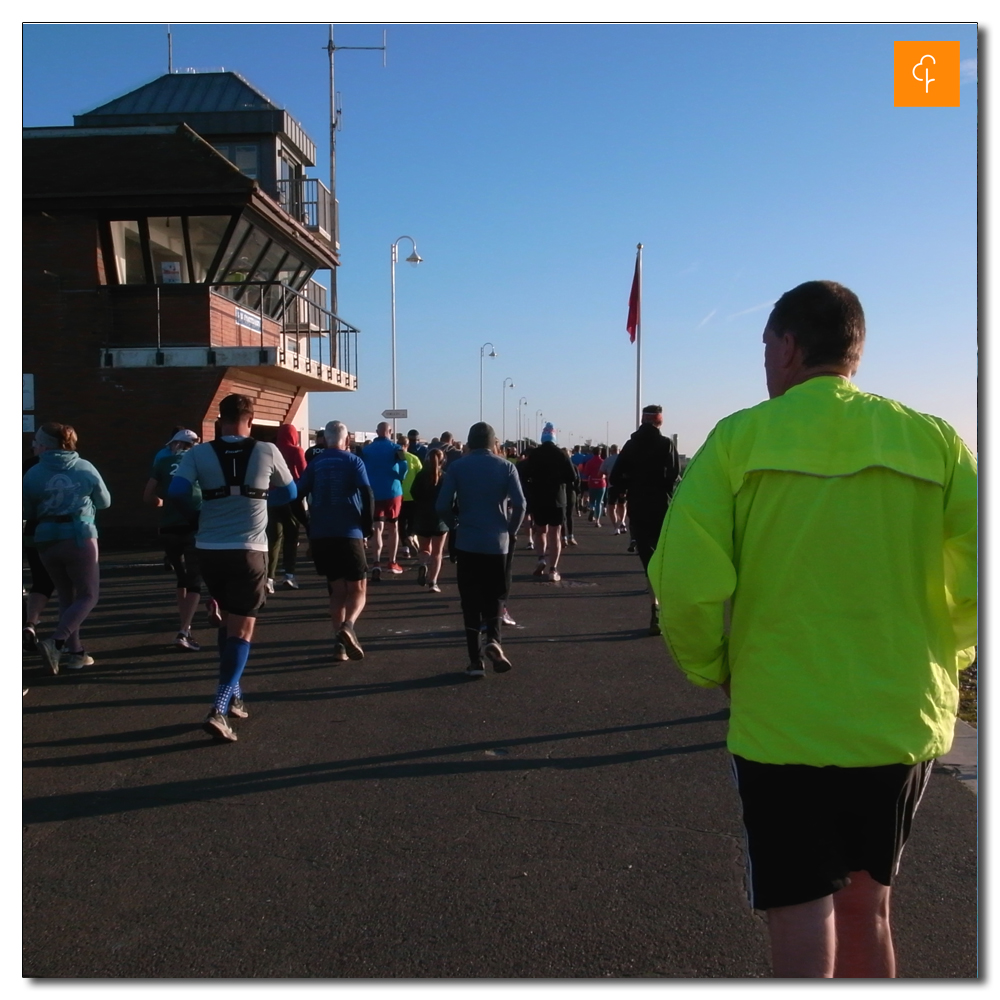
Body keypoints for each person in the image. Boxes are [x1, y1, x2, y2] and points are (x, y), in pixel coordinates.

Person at [648, 280, 977, 978]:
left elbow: (684, 577)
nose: (765, 361)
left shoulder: (741, 438)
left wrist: (711, 665)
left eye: (766, 345)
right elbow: (980, 571)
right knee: (871, 909)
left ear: (790, 345)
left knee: (800, 911)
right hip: (897, 714)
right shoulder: (935, 440)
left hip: (783, 718)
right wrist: (945, 652)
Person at [168, 394, 295, 742]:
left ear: (219, 420)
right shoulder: (268, 451)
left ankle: (235, 694)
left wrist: (198, 517)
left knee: (228, 622)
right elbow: (290, 491)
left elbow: (176, 491)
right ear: (250, 421)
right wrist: (259, 503)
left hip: (209, 548)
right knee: (243, 630)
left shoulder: (198, 453)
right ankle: (219, 707)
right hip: (249, 550)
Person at [436, 422, 526, 677]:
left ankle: (475, 662)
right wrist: (511, 530)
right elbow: (520, 504)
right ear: (492, 442)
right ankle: (494, 640)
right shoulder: (506, 466)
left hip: (467, 540)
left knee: (470, 600)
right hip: (498, 542)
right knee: (496, 595)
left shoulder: (457, 467)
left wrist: (455, 524)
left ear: (470, 442)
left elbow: (443, 505)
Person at [23, 422, 111, 674]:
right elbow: (105, 502)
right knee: (88, 595)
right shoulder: (85, 467)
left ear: (46, 445)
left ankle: (76, 652)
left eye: (37, 442)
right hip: (79, 535)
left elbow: (27, 510)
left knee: (66, 596)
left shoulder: (33, 473)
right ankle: (57, 641)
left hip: (46, 539)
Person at [295, 420, 374, 662]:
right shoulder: (353, 461)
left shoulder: (316, 463)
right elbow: (367, 493)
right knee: (358, 588)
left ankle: (339, 646)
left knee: (336, 591)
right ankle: (348, 626)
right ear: (347, 440)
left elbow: (295, 495)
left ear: (325, 440)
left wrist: (307, 524)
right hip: (348, 531)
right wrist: (367, 527)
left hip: (322, 534)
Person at [143, 428, 220, 651]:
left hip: (169, 526)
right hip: (195, 523)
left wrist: (159, 502)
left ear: (174, 444)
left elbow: (147, 496)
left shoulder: (163, 463)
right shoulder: (200, 462)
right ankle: (184, 630)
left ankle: (185, 622)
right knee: (196, 577)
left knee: (181, 577)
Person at [611, 405, 680, 635]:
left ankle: (655, 608)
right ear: (659, 421)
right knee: (664, 557)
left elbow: (616, 476)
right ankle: (665, 607)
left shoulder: (631, 445)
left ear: (643, 420)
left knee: (648, 558)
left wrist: (626, 489)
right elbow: (673, 476)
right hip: (662, 506)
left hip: (638, 506)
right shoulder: (666, 444)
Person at [518, 422, 576, 582]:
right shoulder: (561, 454)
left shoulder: (535, 454)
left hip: (539, 497)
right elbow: (572, 476)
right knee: (555, 533)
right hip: (557, 498)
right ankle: (553, 569)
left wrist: (533, 485)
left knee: (540, 530)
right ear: (554, 436)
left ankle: (541, 558)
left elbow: (525, 474)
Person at [361, 422, 408, 581]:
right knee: (393, 527)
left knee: (377, 528)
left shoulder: (366, 450)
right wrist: (400, 478)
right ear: (390, 431)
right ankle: (392, 562)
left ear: (376, 432)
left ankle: (376, 563)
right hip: (392, 491)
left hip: (373, 492)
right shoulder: (396, 448)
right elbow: (403, 467)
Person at [267, 423, 309, 591]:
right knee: (291, 537)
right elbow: (304, 472)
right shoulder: (296, 450)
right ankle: (289, 574)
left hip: (271, 498)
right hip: (291, 498)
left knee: (274, 538)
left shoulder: (271, 450)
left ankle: (269, 577)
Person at [410, 447, 449, 593]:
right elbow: (451, 497)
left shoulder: (421, 476)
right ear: (443, 460)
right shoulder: (445, 477)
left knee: (424, 548)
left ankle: (423, 563)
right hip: (439, 519)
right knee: (437, 553)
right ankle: (433, 582)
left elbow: (414, 492)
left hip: (422, 516)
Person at [397, 436, 423, 559]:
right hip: (412, 495)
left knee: (401, 522)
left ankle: (405, 547)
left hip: (399, 494)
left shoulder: (396, 458)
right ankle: (411, 536)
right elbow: (421, 475)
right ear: (408, 445)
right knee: (413, 521)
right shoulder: (414, 459)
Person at [602, 444, 627, 534]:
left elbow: (600, 473)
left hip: (612, 485)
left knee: (612, 507)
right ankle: (623, 522)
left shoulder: (607, 460)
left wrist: (607, 474)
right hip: (623, 486)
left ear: (611, 451)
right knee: (622, 504)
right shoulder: (624, 459)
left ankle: (616, 527)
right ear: (618, 450)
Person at [581, 446, 608, 526]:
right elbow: (606, 472)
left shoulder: (589, 462)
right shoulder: (603, 462)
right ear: (600, 453)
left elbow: (586, 474)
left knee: (592, 500)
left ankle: (591, 508)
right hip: (601, 483)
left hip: (592, 482)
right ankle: (597, 521)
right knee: (599, 502)